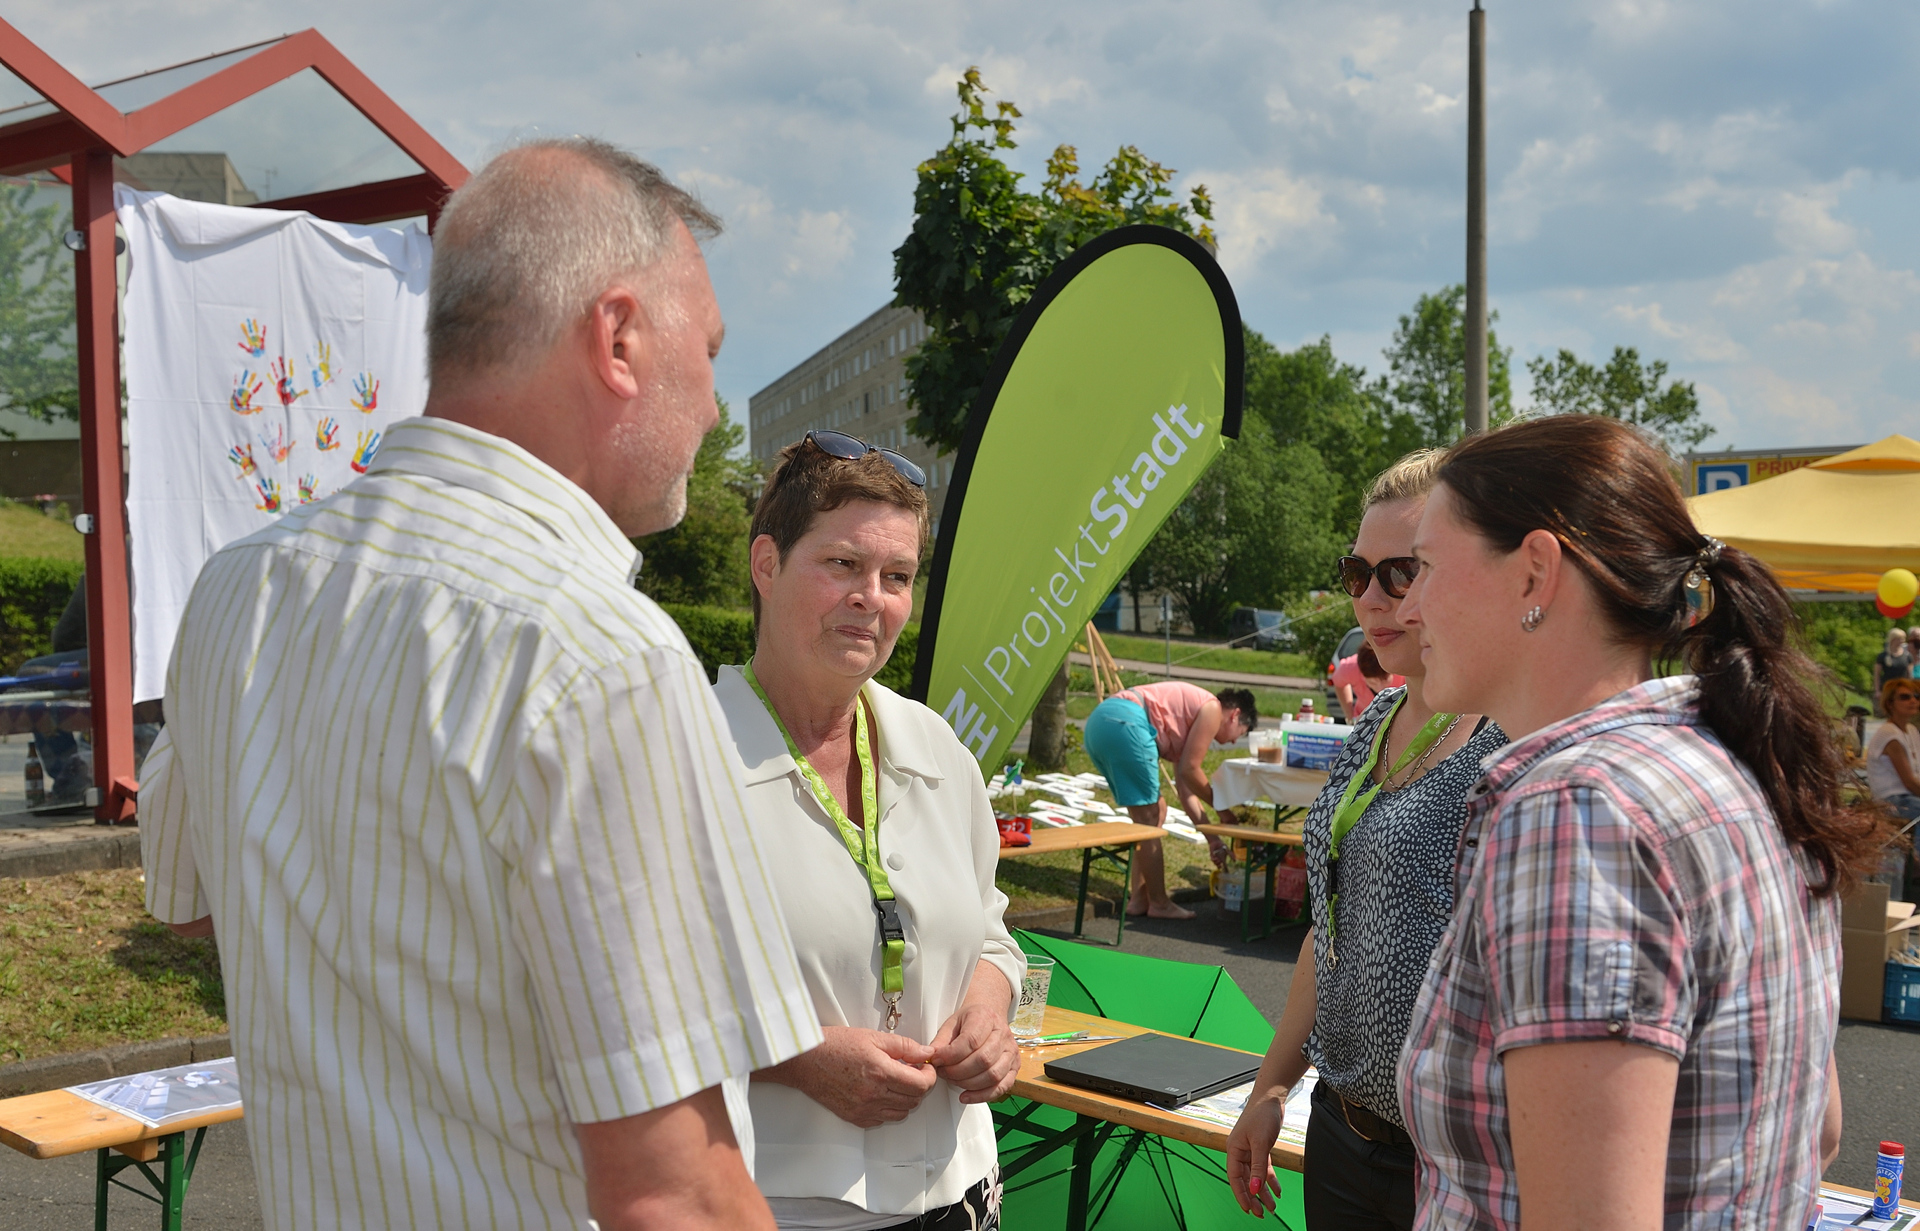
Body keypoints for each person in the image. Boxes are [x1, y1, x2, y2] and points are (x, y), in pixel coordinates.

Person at [138, 140, 823, 1231]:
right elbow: (671, 1191)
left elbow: (185, 905)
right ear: (617, 338)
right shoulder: (599, 652)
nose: (710, 403)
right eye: (710, 349)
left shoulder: (236, 590)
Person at [1395, 416, 1886, 1229]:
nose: (1409, 605)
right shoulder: (1730, 764)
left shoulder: (1578, 812)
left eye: (1423, 567)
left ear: (1535, 573)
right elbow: (1820, 1129)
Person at [712, 432, 1023, 1230]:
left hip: (961, 1189)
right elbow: (612, 988)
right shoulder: (681, 756)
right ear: (766, 565)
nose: (871, 597)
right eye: (843, 564)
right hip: (777, 1205)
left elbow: (992, 933)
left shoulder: (936, 748)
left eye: (897, 577)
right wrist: (797, 1056)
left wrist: (992, 1013)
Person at [1227, 449, 1505, 1229]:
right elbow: (1333, 920)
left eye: (1402, 572)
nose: (1373, 600)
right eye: (1357, 573)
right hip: (1343, 1132)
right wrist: (1272, 1087)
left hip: (1458, 1159)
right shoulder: (1377, 719)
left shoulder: (1513, 736)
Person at [1082, 680, 1257, 918]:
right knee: (1151, 815)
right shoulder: (1212, 709)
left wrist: (1213, 839)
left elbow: (1186, 792)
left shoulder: (1191, 719)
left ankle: (1139, 900)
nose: (1236, 741)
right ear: (1235, 715)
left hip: (1100, 724)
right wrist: (1222, 807)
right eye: (1242, 733)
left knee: (1150, 819)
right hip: (1126, 722)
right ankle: (1159, 903)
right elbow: (1190, 769)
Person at [1332, 643, 1405, 722]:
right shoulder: (1351, 667)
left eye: (1385, 681)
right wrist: (1349, 715)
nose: (1380, 689)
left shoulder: (1404, 668)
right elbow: (1338, 683)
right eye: (1373, 683)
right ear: (1362, 675)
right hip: (1362, 720)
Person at [1874, 628, 1912, 716]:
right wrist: (1877, 690)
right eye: (1900, 638)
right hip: (1887, 688)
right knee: (1889, 712)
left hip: (1903, 687)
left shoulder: (1907, 656)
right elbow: (1877, 675)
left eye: (1903, 638)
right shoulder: (1882, 656)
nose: (1902, 641)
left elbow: (1910, 674)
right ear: (1893, 639)